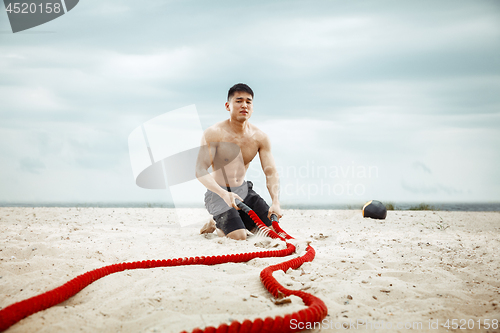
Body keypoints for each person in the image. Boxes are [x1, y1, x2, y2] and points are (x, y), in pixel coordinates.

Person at [196, 83, 282, 240]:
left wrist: (275, 201)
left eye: (248, 102)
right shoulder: (214, 133)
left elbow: (270, 172)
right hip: (218, 194)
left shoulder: (260, 137)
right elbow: (200, 170)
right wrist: (223, 193)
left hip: (244, 191)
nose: (244, 105)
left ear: (253, 107)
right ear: (228, 106)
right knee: (239, 236)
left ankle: (236, 219)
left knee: (273, 233)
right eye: (239, 101)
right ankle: (216, 224)